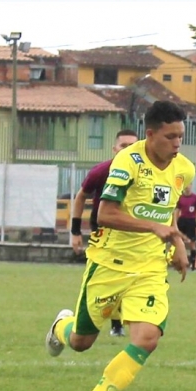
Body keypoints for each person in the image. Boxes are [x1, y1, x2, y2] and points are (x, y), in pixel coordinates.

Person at [44, 100, 195, 391]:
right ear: (150, 134)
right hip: (109, 265)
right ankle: (60, 326)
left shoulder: (184, 168)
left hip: (150, 268)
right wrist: (153, 227)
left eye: (180, 137)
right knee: (81, 342)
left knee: (147, 339)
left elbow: (168, 212)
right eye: (170, 137)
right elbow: (106, 214)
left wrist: (178, 244)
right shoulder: (128, 162)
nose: (177, 144)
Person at [70, 129, 139, 337]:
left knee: (129, 278)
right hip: (103, 233)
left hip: (131, 236)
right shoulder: (102, 171)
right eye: (123, 146)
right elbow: (81, 196)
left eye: (132, 146)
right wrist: (75, 231)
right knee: (107, 282)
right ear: (114, 149)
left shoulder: (144, 173)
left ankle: (119, 323)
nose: (127, 150)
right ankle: (93, 322)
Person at [175, 184, 196, 270]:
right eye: (186, 186)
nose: (187, 187)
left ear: (191, 185)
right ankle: (178, 262)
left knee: (192, 243)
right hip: (182, 221)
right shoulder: (180, 197)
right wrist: (175, 223)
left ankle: (193, 264)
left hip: (191, 222)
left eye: (189, 185)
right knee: (178, 242)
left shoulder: (195, 198)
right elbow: (177, 211)